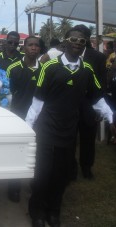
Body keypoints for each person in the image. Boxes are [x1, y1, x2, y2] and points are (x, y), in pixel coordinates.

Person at [25, 27, 115, 227]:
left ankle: (53, 210)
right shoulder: (49, 67)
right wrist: (28, 127)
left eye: (82, 41)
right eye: (73, 39)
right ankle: (37, 211)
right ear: (65, 42)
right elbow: (37, 101)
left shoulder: (87, 70)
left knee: (61, 172)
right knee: (43, 171)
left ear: (85, 45)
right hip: (47, 127)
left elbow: (97, 99)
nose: (77, 43)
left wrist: (111, 118)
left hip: (69, 128)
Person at [6, 36, 41, 203]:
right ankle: (14, 186)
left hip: (40, 118)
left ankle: (36, 184)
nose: (33, 48)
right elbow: (7, 94)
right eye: (30, 45)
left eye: (36, 45)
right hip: (17, 116)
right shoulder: (13, 68)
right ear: (24, 47)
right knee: (17, 152)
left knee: (38, 152)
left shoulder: (45, 69)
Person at [73, 24, 108, 179]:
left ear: (86, 39)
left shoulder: (98, 57)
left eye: (80, 37)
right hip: (69, 104)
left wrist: (99, 108)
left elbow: (101, 84)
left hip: (89, 104)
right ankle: (70, 168)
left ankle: (86, 167)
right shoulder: (65, 53)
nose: (76, 41)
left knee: (88, 138)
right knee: (70, 138)